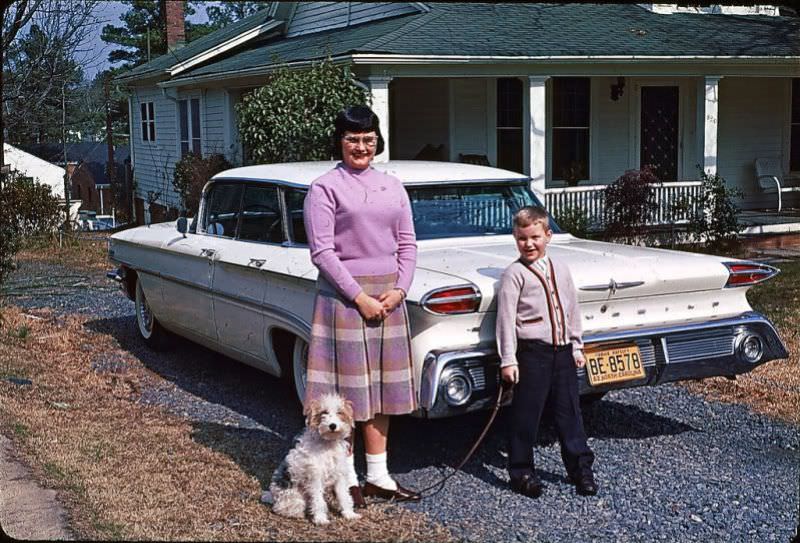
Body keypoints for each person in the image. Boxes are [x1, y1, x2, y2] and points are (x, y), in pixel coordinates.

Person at [302, 105, 420, 504]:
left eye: (368, 139)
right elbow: (322, 252)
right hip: (345, 299)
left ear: (377, 141)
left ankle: (379, 477)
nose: (361, 146)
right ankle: (346, 479)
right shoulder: (324, 188)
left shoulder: (393, 185)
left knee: (382, 391)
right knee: (349, 396)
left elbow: (407, 244)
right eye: (352, 139)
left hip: (388, 298)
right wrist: (360, 297)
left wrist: (400, 290)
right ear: (339, 141)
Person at [495, 205, 597, 498]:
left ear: (548, 235)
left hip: (562, 352)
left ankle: (581, 469)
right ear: (515, 239)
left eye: (535, 237)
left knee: (570, 413)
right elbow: (505, 320)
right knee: (527, 414)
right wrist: (508, 359)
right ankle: (522, 471)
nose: (529, 244)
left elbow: (571, 308)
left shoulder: (561, 268)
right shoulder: (514, 274)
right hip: (532, 353)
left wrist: (576, 344)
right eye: (522, 238)